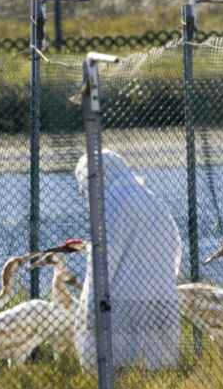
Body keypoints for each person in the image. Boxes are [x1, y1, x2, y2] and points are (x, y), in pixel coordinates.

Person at [74, 149, 182, 371]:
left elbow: (103, 262)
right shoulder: (151, 199)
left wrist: (90, 307)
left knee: (119, 368)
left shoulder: (111, 205)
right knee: (159, 371)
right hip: (162, 297)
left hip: (124, 303)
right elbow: (175, 247)